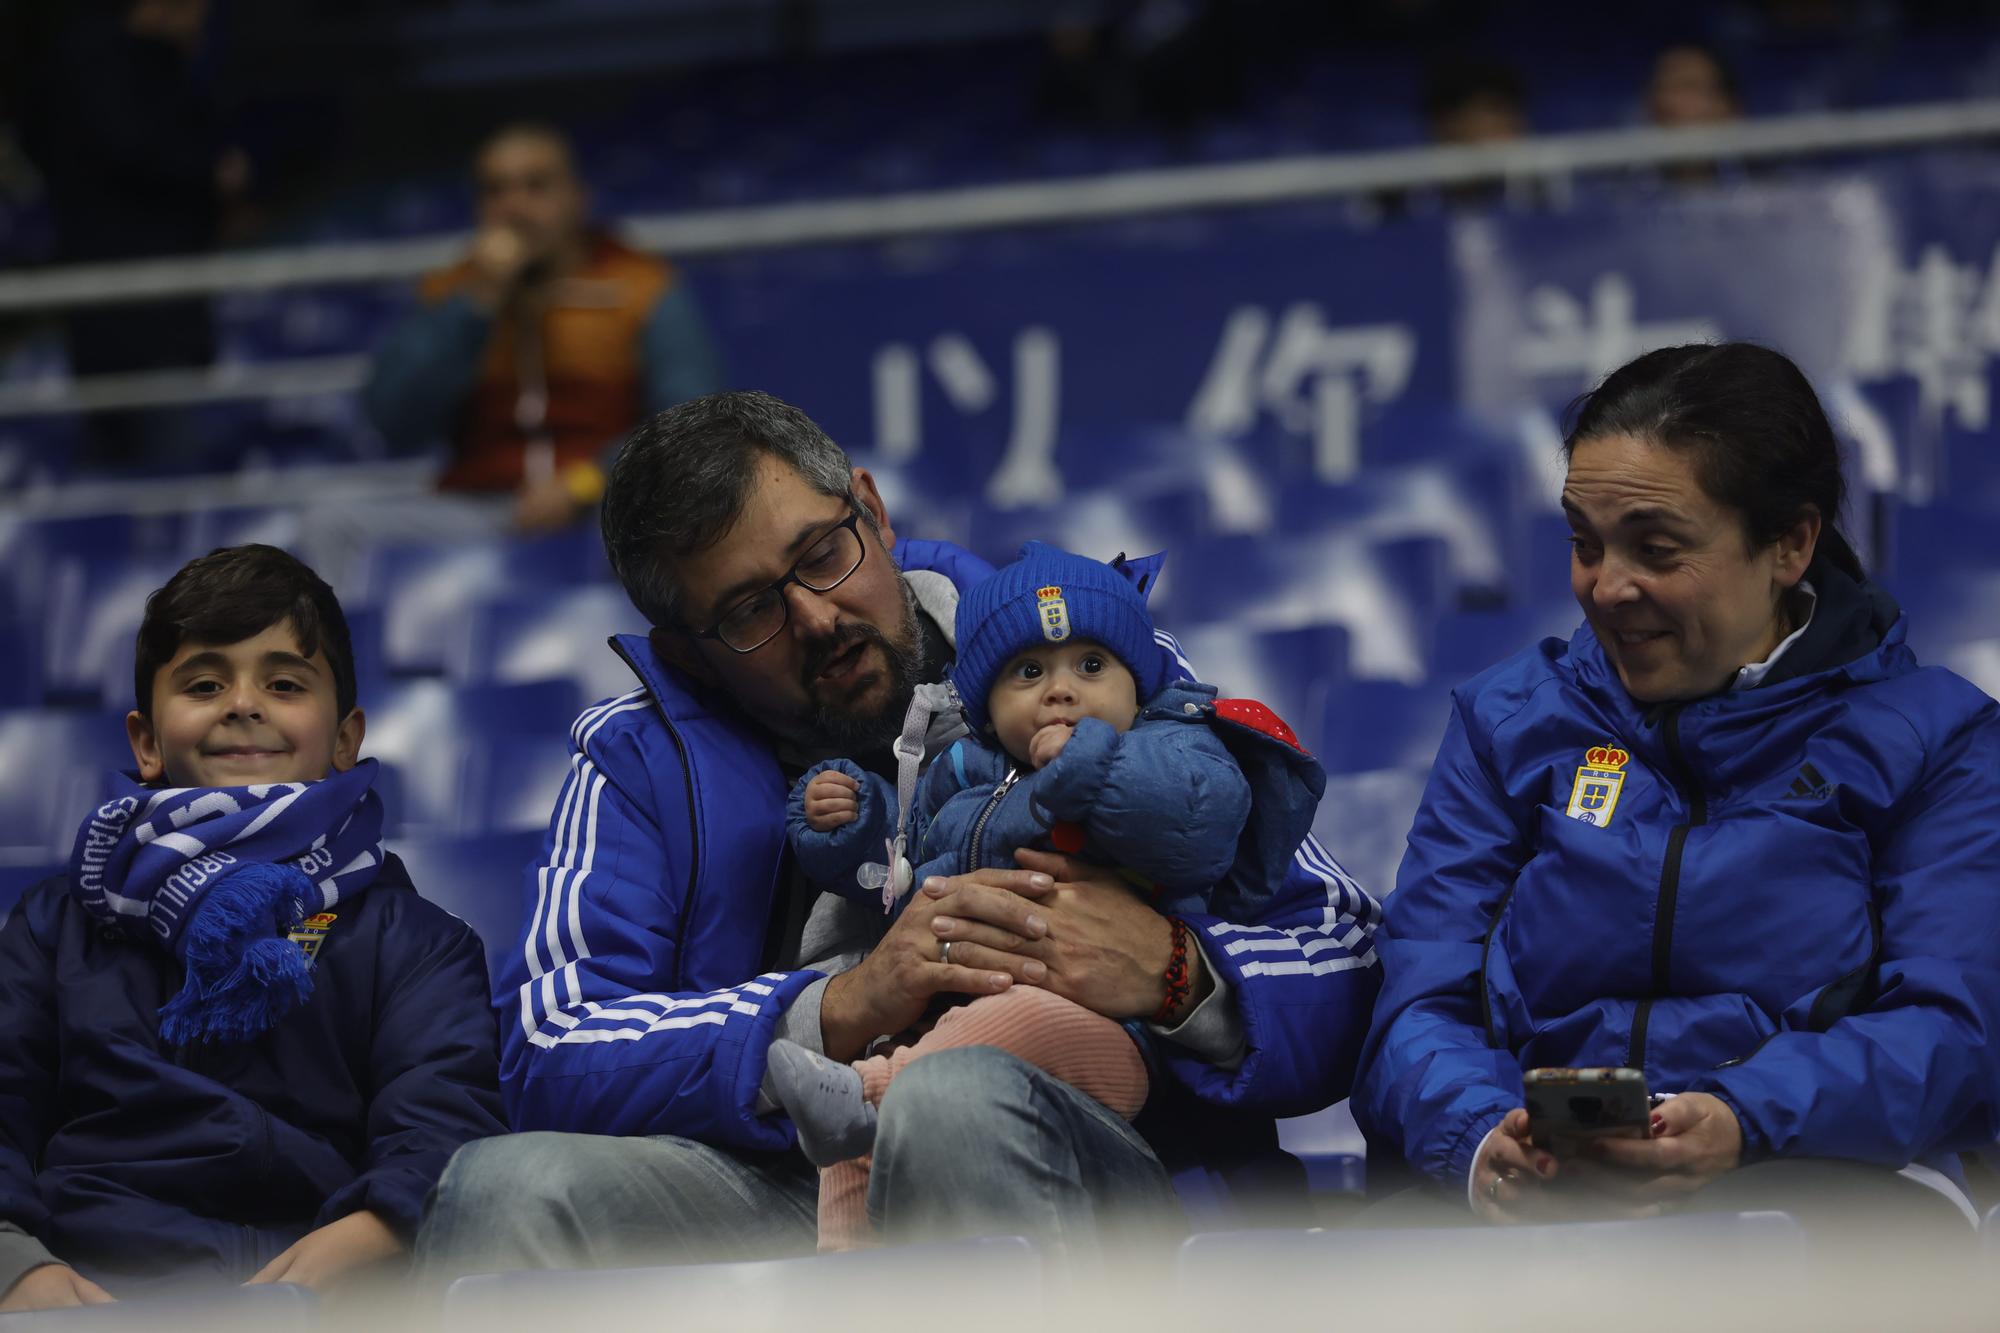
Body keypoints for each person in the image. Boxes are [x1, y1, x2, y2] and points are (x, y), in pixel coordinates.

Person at [416, 390, 1381, 1275]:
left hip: (1092, 1158)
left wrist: (1179, 973)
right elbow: (549, 1045)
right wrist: (842, 1004)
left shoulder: (1080, 663)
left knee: (951, 1101)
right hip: (777, 1195)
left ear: (872, 511)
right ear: (688, 655)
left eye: (824, 555)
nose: (818, 617)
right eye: (751, 610)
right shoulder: (636, 756)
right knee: (505, 1190)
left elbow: (1345, 951)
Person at [1354, 343, 2000, 1239]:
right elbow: (1421, 997)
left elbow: (1951, 1026)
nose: (1608, 587)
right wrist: (1481, 1139)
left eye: (1656, 549)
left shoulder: (1937, 738)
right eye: (1585, 544)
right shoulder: (1505, 719)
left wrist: (1741, 1116)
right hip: (1546, 1188)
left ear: (1790, 543)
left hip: (1827, 1178)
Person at [768, 540, 1326, 1248]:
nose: (1061, 690)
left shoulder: (1175, 742)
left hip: (1110, 1036)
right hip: (956, 1025)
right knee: (853, 1144)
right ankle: (848, 1262)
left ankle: (873, 1092)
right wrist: (851, 825)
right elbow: (898, 862)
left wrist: (1092, 766)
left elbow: (1197, 818)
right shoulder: (959, 771)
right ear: (985, 704)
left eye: (1091, 666)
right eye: (1028, 672)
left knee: (982, 1038)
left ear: (1136, 682)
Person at [0, 545, 505, 1310]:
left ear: (344, 738)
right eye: (204, 683)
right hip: (92, 1291)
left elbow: (443, 1125)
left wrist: (375, 1229)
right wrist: (16, 1265)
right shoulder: (53, 925)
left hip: (325, 1293)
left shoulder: (418, 942)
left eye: (284, 682)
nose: (243, 702)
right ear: (145, 742)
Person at [361, 122, 721, 534]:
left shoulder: (639, 287)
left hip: (609, 507)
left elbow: (690, 422)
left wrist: (586, 483)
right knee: (336, 524)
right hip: (480, 509)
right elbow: (395, 425)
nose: (513, 207)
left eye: (536, 186)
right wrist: (475, 303)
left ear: (577, 198)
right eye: (495, 190)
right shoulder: (451, 292)